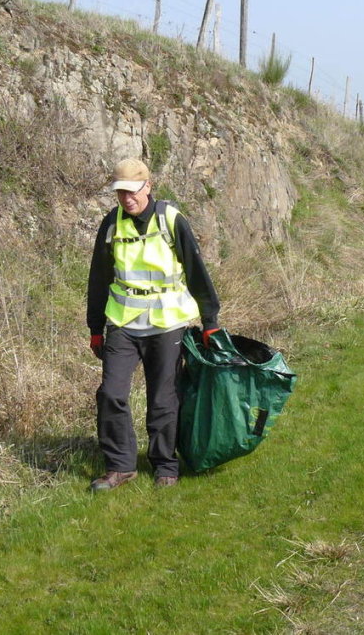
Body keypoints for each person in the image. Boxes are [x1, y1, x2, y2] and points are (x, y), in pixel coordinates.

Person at [86, 158, 221, 490]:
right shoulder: (111, 224)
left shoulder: (171, 220)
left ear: (148, 186)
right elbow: (99, 278)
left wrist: (209, 321)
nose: (127, 199)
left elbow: (196, 271)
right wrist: (94, 327)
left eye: (132, 192)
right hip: (123, 321)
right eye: (120, 193)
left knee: (163, 398)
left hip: (167, 322)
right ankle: (120, 466)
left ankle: (165, 466)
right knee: (111, 394)